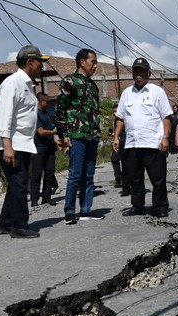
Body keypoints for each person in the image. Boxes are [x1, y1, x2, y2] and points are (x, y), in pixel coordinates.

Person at [0, 44, 47, 239]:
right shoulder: (13, 82)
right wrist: (7, 145)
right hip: (11, 144)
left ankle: (5, 223)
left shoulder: (28, 85)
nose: (42, 66)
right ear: (30, 62)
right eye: (40, 62)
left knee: (16, 183)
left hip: (22, 142)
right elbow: (4, 116)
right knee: (19, 183)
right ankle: (19, 226)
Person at [113, 58, 173, 218]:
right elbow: (120, 117)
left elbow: (167, 116)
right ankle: (137, 206)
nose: (138, 74)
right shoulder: (126, 93)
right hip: (132, 144)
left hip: (153, 143)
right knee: (135, 178)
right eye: (135, 71)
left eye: (141, 71)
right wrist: (117, 136)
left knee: (158, 179)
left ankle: (160, 206)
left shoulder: (157, 92)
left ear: (148, 73)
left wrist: (165, 137)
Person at [56, 48, 103, 224]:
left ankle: (85, 209)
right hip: (76, 135)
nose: (95, 66)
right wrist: (64, 136)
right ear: (82, 62)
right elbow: (60, 110)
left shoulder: (92, 85)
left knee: (89, 175)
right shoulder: (69, 81)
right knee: (75, 174)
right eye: (93, 62)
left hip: (91, 135)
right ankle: (69, 211)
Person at [30, 91, 58, 207]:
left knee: (50, 172)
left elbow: (49, 129)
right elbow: (41, 132)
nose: (48, 103)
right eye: (46, 101)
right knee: (37, 173)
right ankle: (34, 198)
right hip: (39, 148)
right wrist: (55, 132)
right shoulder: (36, 114)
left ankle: (47, 197)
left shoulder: (47, 113)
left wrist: (55, 139)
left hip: (50, 147)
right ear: (41, 102)